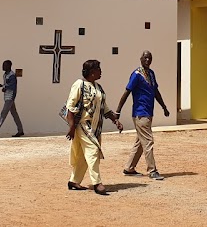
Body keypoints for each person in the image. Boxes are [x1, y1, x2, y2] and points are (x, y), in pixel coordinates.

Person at [66, 59, 123, 195]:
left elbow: (104, 108)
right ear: (92, 72)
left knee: (83, 156)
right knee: (93, 151)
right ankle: (97, 183)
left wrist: (115, 120)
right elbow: (70, 106)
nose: (101, 71)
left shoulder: (98, 87)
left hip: (96, 128)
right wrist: (72, 127)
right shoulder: (79, 85)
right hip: (83, 125)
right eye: (98, 69)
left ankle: (74, 180)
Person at [116, 50, 170, 181]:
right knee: (148, 141)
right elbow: (126, 92)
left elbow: (156, 91)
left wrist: (164, 106)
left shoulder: (151, 74)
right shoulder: (136, 74)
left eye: (150, 58)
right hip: (140, 113)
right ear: (140, 59)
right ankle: (152, 170)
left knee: (140, 142)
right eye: (145, 58)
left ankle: (129, 168)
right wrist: (117, 112)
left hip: (148, 112)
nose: (148, 60)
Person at [0, 60, 24, 138]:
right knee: (15, 115)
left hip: (10, 97)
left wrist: (5, 87)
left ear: (9, 66)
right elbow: (7, 84)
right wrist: (2, 86)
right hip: (7, 97)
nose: (3, 66)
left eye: (5, 65)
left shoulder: (12, 75)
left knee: (3, 114)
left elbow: (12, 86)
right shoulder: (5, 75)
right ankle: (20, 131)